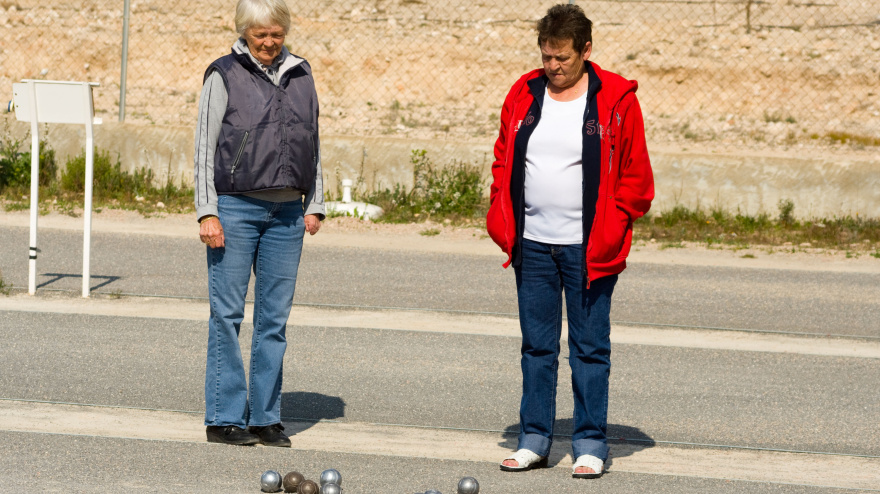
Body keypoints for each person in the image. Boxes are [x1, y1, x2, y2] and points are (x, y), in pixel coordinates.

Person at [486, 4, 654, 478]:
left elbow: (637, 178)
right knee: (537, 347)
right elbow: (504, 155)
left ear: (586, 50)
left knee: (588, 348)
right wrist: (500, 202)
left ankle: (590, 443)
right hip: (533, 245)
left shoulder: (616, 99)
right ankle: (534, 439)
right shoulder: (524, 92)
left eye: (562, 58)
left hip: (589, 248)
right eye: (546, 57)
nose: (553, 67)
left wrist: (617, 221)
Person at [193, 0, 324, 447]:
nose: (269, 43)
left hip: (288, 212)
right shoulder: (223, 73)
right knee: (227, 315)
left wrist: (315, 200)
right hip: (235, 208)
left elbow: (312, 138)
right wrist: (206, 210)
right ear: (244, 32)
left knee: (274, 320)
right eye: (260, 34)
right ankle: (224, 417)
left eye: (276, 34)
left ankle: (265, 418)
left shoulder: (302, 73)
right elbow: (203, 149)